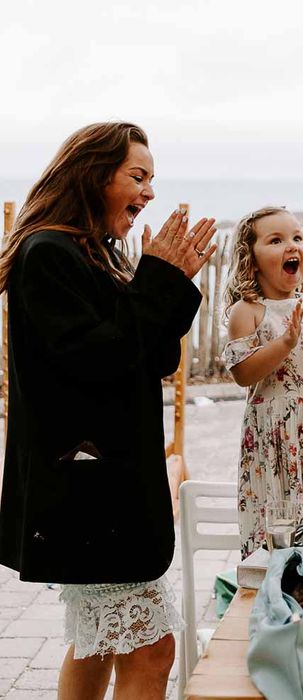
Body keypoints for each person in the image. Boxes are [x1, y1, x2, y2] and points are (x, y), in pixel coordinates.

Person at [0, 122, 216, 698]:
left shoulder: (95, 253)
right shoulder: (48, 254)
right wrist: (160, 281)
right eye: (137, 177)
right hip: (85, 492)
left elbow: (154, 355)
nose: (148, 194)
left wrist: (164, 281)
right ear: (94, 175)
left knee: (97, 645)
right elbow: (102, 359)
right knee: (152, 647)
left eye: (152, 180)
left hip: (100, 494)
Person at [223, 206, 303, 557]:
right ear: (252, 260)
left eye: (297, 237)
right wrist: (284, 344)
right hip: (272, 434)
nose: (291, 246)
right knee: (276, 517)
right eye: (275, 240)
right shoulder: (247, 311)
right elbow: (242, 373)